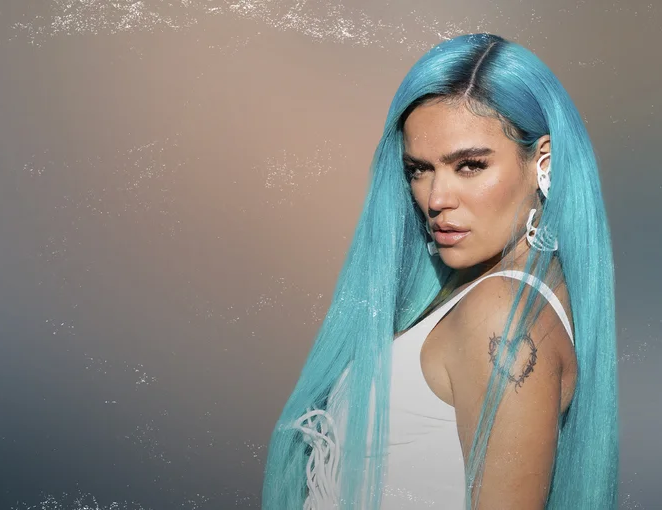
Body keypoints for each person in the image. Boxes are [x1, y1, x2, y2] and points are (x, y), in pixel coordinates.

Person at [262, 33, 618, 510]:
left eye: (469, 165)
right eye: (419, 169)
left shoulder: (502, 313)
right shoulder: (482, 295)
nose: (435, 199)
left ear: (543, 164)